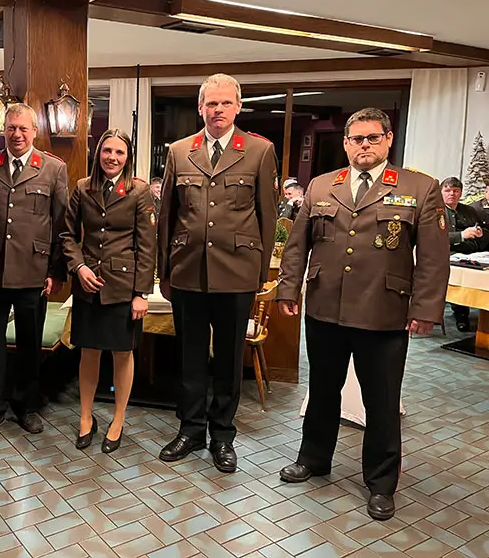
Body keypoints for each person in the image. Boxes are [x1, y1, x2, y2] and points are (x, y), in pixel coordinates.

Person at [276, 107, 449, 521]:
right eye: (356, 139)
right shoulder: (323, 185)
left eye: (372, 137)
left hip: (383, 312)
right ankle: (314, 458)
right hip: (325, 309)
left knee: (381, 401)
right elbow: (297, 245)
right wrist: (288, 287)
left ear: (388, 139)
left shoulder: (419, 187)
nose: (364, 145)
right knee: (322, 390)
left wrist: (425, 308)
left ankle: (382, 482)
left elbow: (433, 257)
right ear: (346, 143)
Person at [157, 73, 278, 472]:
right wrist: (164, 271)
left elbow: (267, 216)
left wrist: (259, 274)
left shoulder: (259, 151)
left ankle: (223, 436)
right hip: (188, 270)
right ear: (200, 108)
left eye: (226, 103)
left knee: (228, 362)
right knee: (189, 359)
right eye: (211, 103)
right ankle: (191, 430)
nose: (219, 109)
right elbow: (167, 216)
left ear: (238, 107)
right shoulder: (179, 151)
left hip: (237, 272)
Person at [0, 103, 69, 441]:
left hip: (33, 272)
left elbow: (61, 225)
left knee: (29, 344)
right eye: (11, 128)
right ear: (3, 131)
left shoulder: (53, 169)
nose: (17, 134)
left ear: (34, 131)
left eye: (23, 128)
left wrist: (56, 270)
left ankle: (27, 406)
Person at [61, 129, 157, 453]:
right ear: (98, 153)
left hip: (123, 287)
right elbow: (67, 235)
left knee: (122, 353)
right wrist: (79, 267)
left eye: (119, 152)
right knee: (88, 352)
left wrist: (141, 293)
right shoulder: (82, 188)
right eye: (107, 151)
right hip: (88, 285)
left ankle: (118, 419)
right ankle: (85, 417)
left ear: (127, 157)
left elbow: (147, 246)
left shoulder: (139, 191)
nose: (112, 158)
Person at [441, 177, 487, 332]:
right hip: (444, 255)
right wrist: (461, 235)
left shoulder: (469, 211)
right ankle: (461, 315)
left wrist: (479, 233)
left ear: (461, 193)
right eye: (447, 190)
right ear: (441, 192)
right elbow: (433, 237)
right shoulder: (434, 211)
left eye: (456, 191)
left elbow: (480, 229)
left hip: (470, 254)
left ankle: (481, 318)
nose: (452, 194)